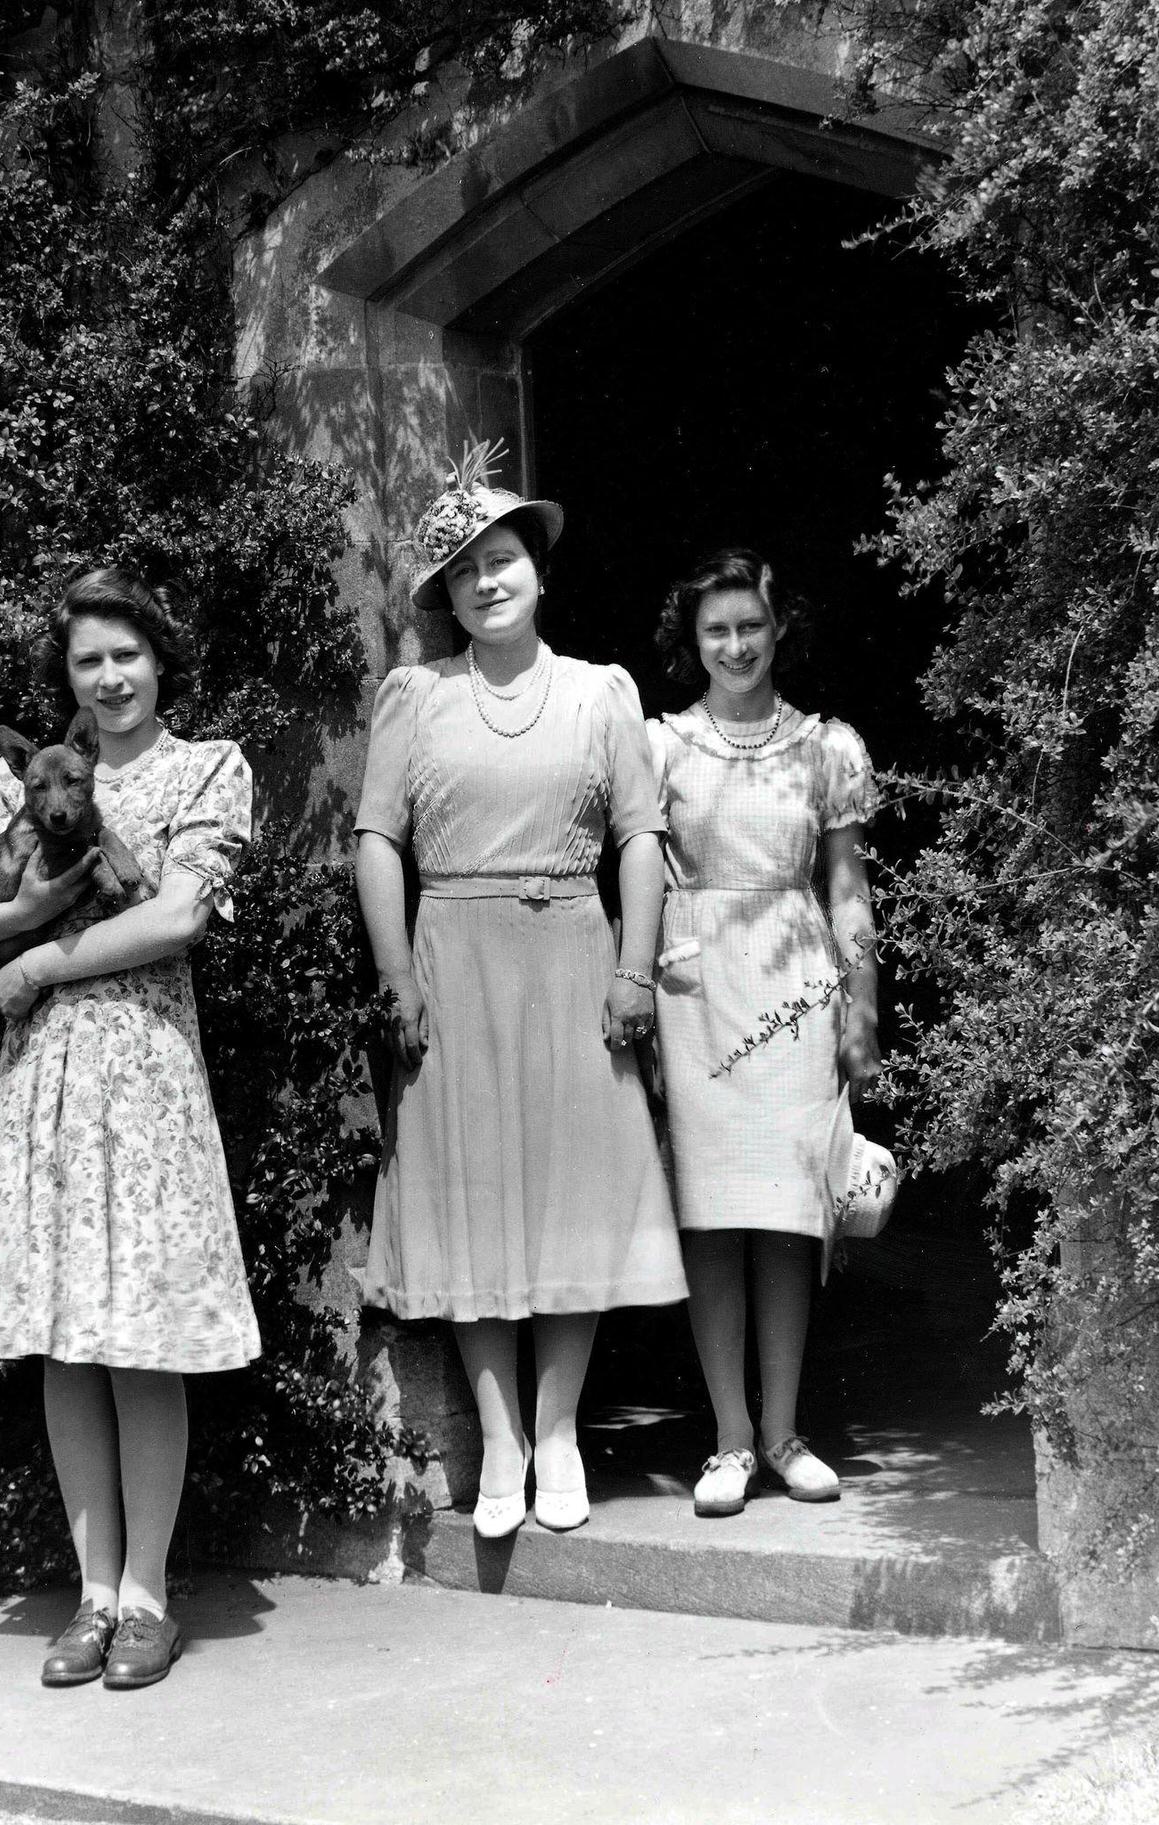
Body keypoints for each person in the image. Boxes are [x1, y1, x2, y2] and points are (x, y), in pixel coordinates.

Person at [0, 565, 258, 1688]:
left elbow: (179, 912)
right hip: (46, 1086)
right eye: (86, 661)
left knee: (139, 1335)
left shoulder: (207, 767)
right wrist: (25, 919)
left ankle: (149, 1593)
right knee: (67, 1333)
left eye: (126, 655)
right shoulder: (32, 784)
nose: (109, 678)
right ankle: (92, 1589)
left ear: (160, 660)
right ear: (65, 680)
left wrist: (31, 964)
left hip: (145, 1076)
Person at [355, 443, 687, 1538]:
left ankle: (555, 1431)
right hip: (454, 954)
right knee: (470, 1194)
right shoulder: (414, 696)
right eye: (462, 572)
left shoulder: (601, 693)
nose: (485, 581)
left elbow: (639, 837)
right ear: (447, 599)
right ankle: (497, 1438)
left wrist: (634, 968)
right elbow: (376, 841)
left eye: (500, 559)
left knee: (570, 1193)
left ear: (536, 571)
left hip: (575, 958)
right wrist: (396, 970)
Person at [647, 548, 880, 1517]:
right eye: (716, 629)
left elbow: (845, 884)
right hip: (694, 987)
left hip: (795, 983)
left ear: (778, 631)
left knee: (788, 1222)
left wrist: (860, 1002)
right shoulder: (657, 745)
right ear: (690, 641)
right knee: (709, 1221)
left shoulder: (828, 748)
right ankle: (729, 1441)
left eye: (750, 625)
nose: (734, 644)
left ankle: (783, 1433)